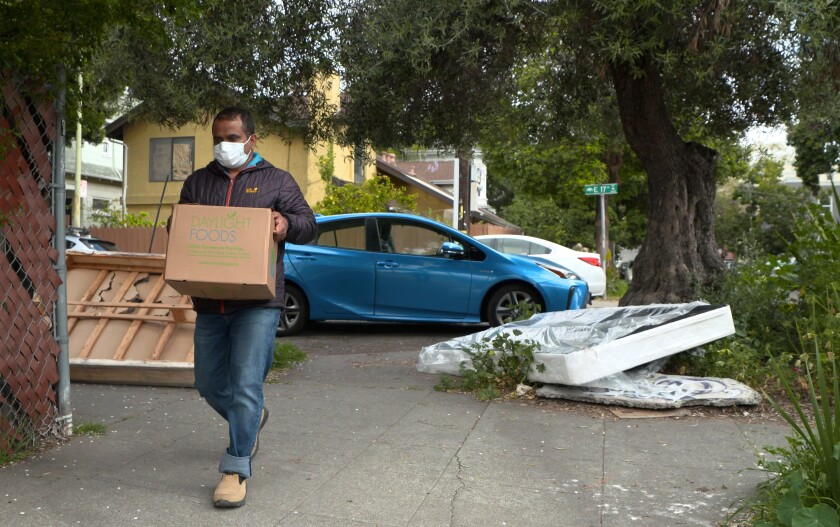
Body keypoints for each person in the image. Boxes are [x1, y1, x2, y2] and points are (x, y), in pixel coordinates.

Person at [172, 107, 316, 508]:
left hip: (258, 302)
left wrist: (285, 224)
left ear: (252, 139)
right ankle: (252, 420)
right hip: (211, 300)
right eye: (218, 137)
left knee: (247, 384)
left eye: (233, 138)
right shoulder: (198, 182)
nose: (224, 145)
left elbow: (309, 224)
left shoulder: (277, 180)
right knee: (208, 383)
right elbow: (181, 229)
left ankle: (235, 468)